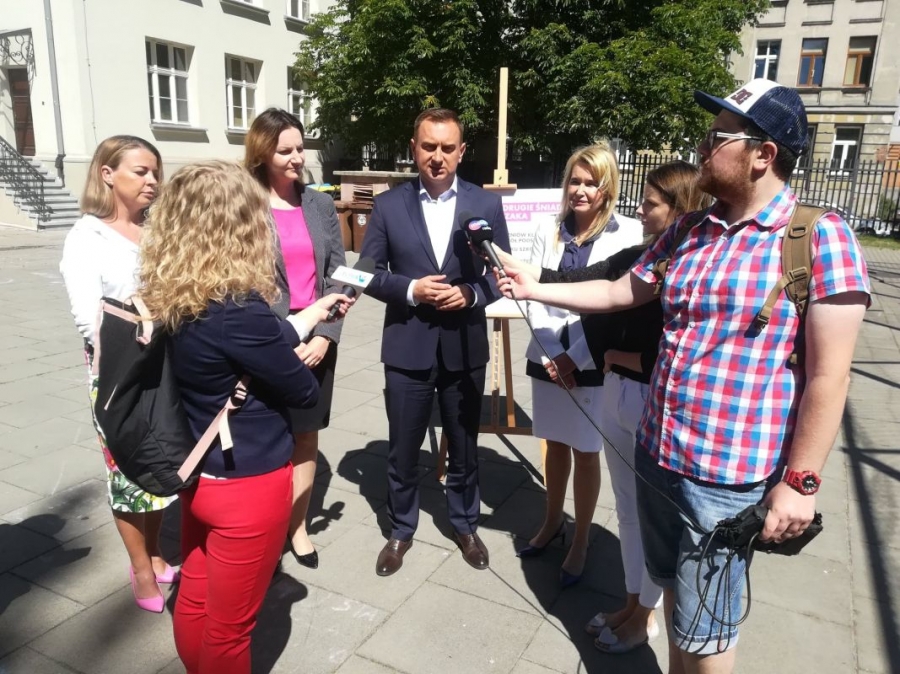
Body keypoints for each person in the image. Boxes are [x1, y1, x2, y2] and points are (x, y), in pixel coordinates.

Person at [497, 79, 870, 673]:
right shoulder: (690, 230)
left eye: (718, 137)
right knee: (676, 600)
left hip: (725, 479)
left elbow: (831, 376)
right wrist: (534, 285)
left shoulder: (820, 237)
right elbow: (620, 291)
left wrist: (801, 482)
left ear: (763, 154)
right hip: (658, 453)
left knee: (708, 634)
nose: (702, 147)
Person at [139, 160, 352, 674]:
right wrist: (290, 348)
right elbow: (302, 390)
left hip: (200, 472)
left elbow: (252, 342)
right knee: (231, 631)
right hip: (249, 485)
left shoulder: (178, 295)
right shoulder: (240, 309)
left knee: (196, 596)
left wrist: (311, 313)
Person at [360, 108, 511, 576]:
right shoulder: (389, 205)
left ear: (461, 152)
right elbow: (365, 271)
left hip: (464, 345)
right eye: (429, 147)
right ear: (414, 149)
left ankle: (465, 525)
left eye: (447, 148)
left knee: (463, 444)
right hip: (407, 345)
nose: (438, 157)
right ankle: (401, 528)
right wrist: (410, 289)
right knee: (403, 447)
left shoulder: (484, 205)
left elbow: (501, 272)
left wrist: (471, 294)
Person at [60, 135, 177, 614]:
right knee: (127, 472)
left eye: (155, 172)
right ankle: (141, 567)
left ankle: (156, 549)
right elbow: (88, 318)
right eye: (141, 172)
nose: (152, 181)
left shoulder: (157, 230)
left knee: (162, 458)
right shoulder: (87, 236)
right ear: (108, 174)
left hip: (166, 365)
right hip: (118, 371)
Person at [517, 143, 642, 590]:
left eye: (592, 183)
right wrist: (554, 354)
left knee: (587, 452)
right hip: (548, 355)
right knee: (554, 444)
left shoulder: (628, 234)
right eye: (575, 180)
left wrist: (576, 358)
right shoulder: (546, 228)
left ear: (608, 188)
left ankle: (582, 537)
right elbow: (530, 292)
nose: (581, 190)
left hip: (592, 360)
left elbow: (616, 306)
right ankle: (553, 520)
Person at [244, 108, 347, 570]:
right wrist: (281, 333)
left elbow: (340, 276)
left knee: (305, 437)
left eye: (300, 148)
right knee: (265, 439)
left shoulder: (319, 205)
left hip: (316, 343)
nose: (297, 158)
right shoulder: (244, 204)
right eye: (285, 151)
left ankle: (298, 526)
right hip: (267, 341)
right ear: (262, 153)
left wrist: (325, 335)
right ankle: (263, 531)